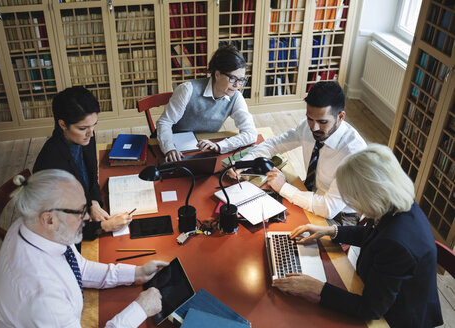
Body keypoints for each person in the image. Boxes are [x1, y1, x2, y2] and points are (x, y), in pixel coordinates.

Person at [272, 144, 443, 327]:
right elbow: (375, 234)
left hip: (396, 318)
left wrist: (315, 287)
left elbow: (371, 309)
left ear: (372, 195)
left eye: (353, 197)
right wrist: (330, 231)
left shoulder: (396, 244)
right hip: (377, 289)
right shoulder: (394, 204)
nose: (350, 204)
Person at [0, 169, 168, 327]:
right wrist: (140, 310)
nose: (88, 217)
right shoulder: (43, 297)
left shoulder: (34, 226)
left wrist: (137, 273)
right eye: (80, 212)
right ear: (49, 219)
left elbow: (80, 268)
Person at [231, 81, 366, 222]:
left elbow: (328, 208)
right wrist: (243, 163)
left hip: (339, 215)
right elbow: (274, 144)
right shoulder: (309, 127)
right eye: (310, 119)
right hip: (311, 193)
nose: (314, 128)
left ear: (340, 117)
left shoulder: (353, 154)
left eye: (322, 122)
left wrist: (283, 187)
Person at [34, 86, 129, 242]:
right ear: (63, 124)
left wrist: (93, 202)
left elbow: (91, 177)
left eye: (93, 126)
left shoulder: (85, 138)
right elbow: (58, 227)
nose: (91, 133)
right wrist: (105, 226)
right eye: (83, 128)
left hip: (86, 214)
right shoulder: (50, 166)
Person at [157, 44, 258, 162]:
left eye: (241, 80)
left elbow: (251, 133)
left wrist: (220, 146)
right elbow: (165, 122)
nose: (237, 85)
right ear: (217, 74)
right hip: (175, 148)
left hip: (203, 149)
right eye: (233, 78)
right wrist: (169, 148)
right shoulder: (187, 90)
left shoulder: (235, 97)